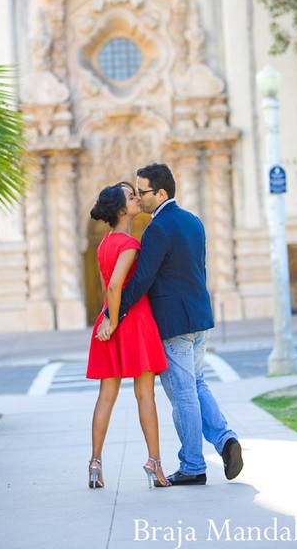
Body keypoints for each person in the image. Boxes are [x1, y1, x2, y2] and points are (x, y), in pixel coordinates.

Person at [97, 163, 243, 486]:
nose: (139, 197)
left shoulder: (157, 229)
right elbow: (197, 270)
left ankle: (192, 465)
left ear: (160, 193)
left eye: (143, 192)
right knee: (198, 384)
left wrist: (113, 314)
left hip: (174, 325)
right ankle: (226, 440)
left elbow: (141, 281)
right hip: (200, 318)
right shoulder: (194, 222)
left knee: (184, 394)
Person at [86, 182, 171, 490]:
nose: (138, 198)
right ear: (122, 209)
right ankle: (155, 462)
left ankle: (95, 463)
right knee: (145, 395)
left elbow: (104, 285)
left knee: (105, 396)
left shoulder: (103, 243)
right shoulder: (130, 244)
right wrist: (113, 319)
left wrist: (107, 319)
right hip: (131, 321)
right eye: (132, 197)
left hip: (110, 320)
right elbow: (115, 286)